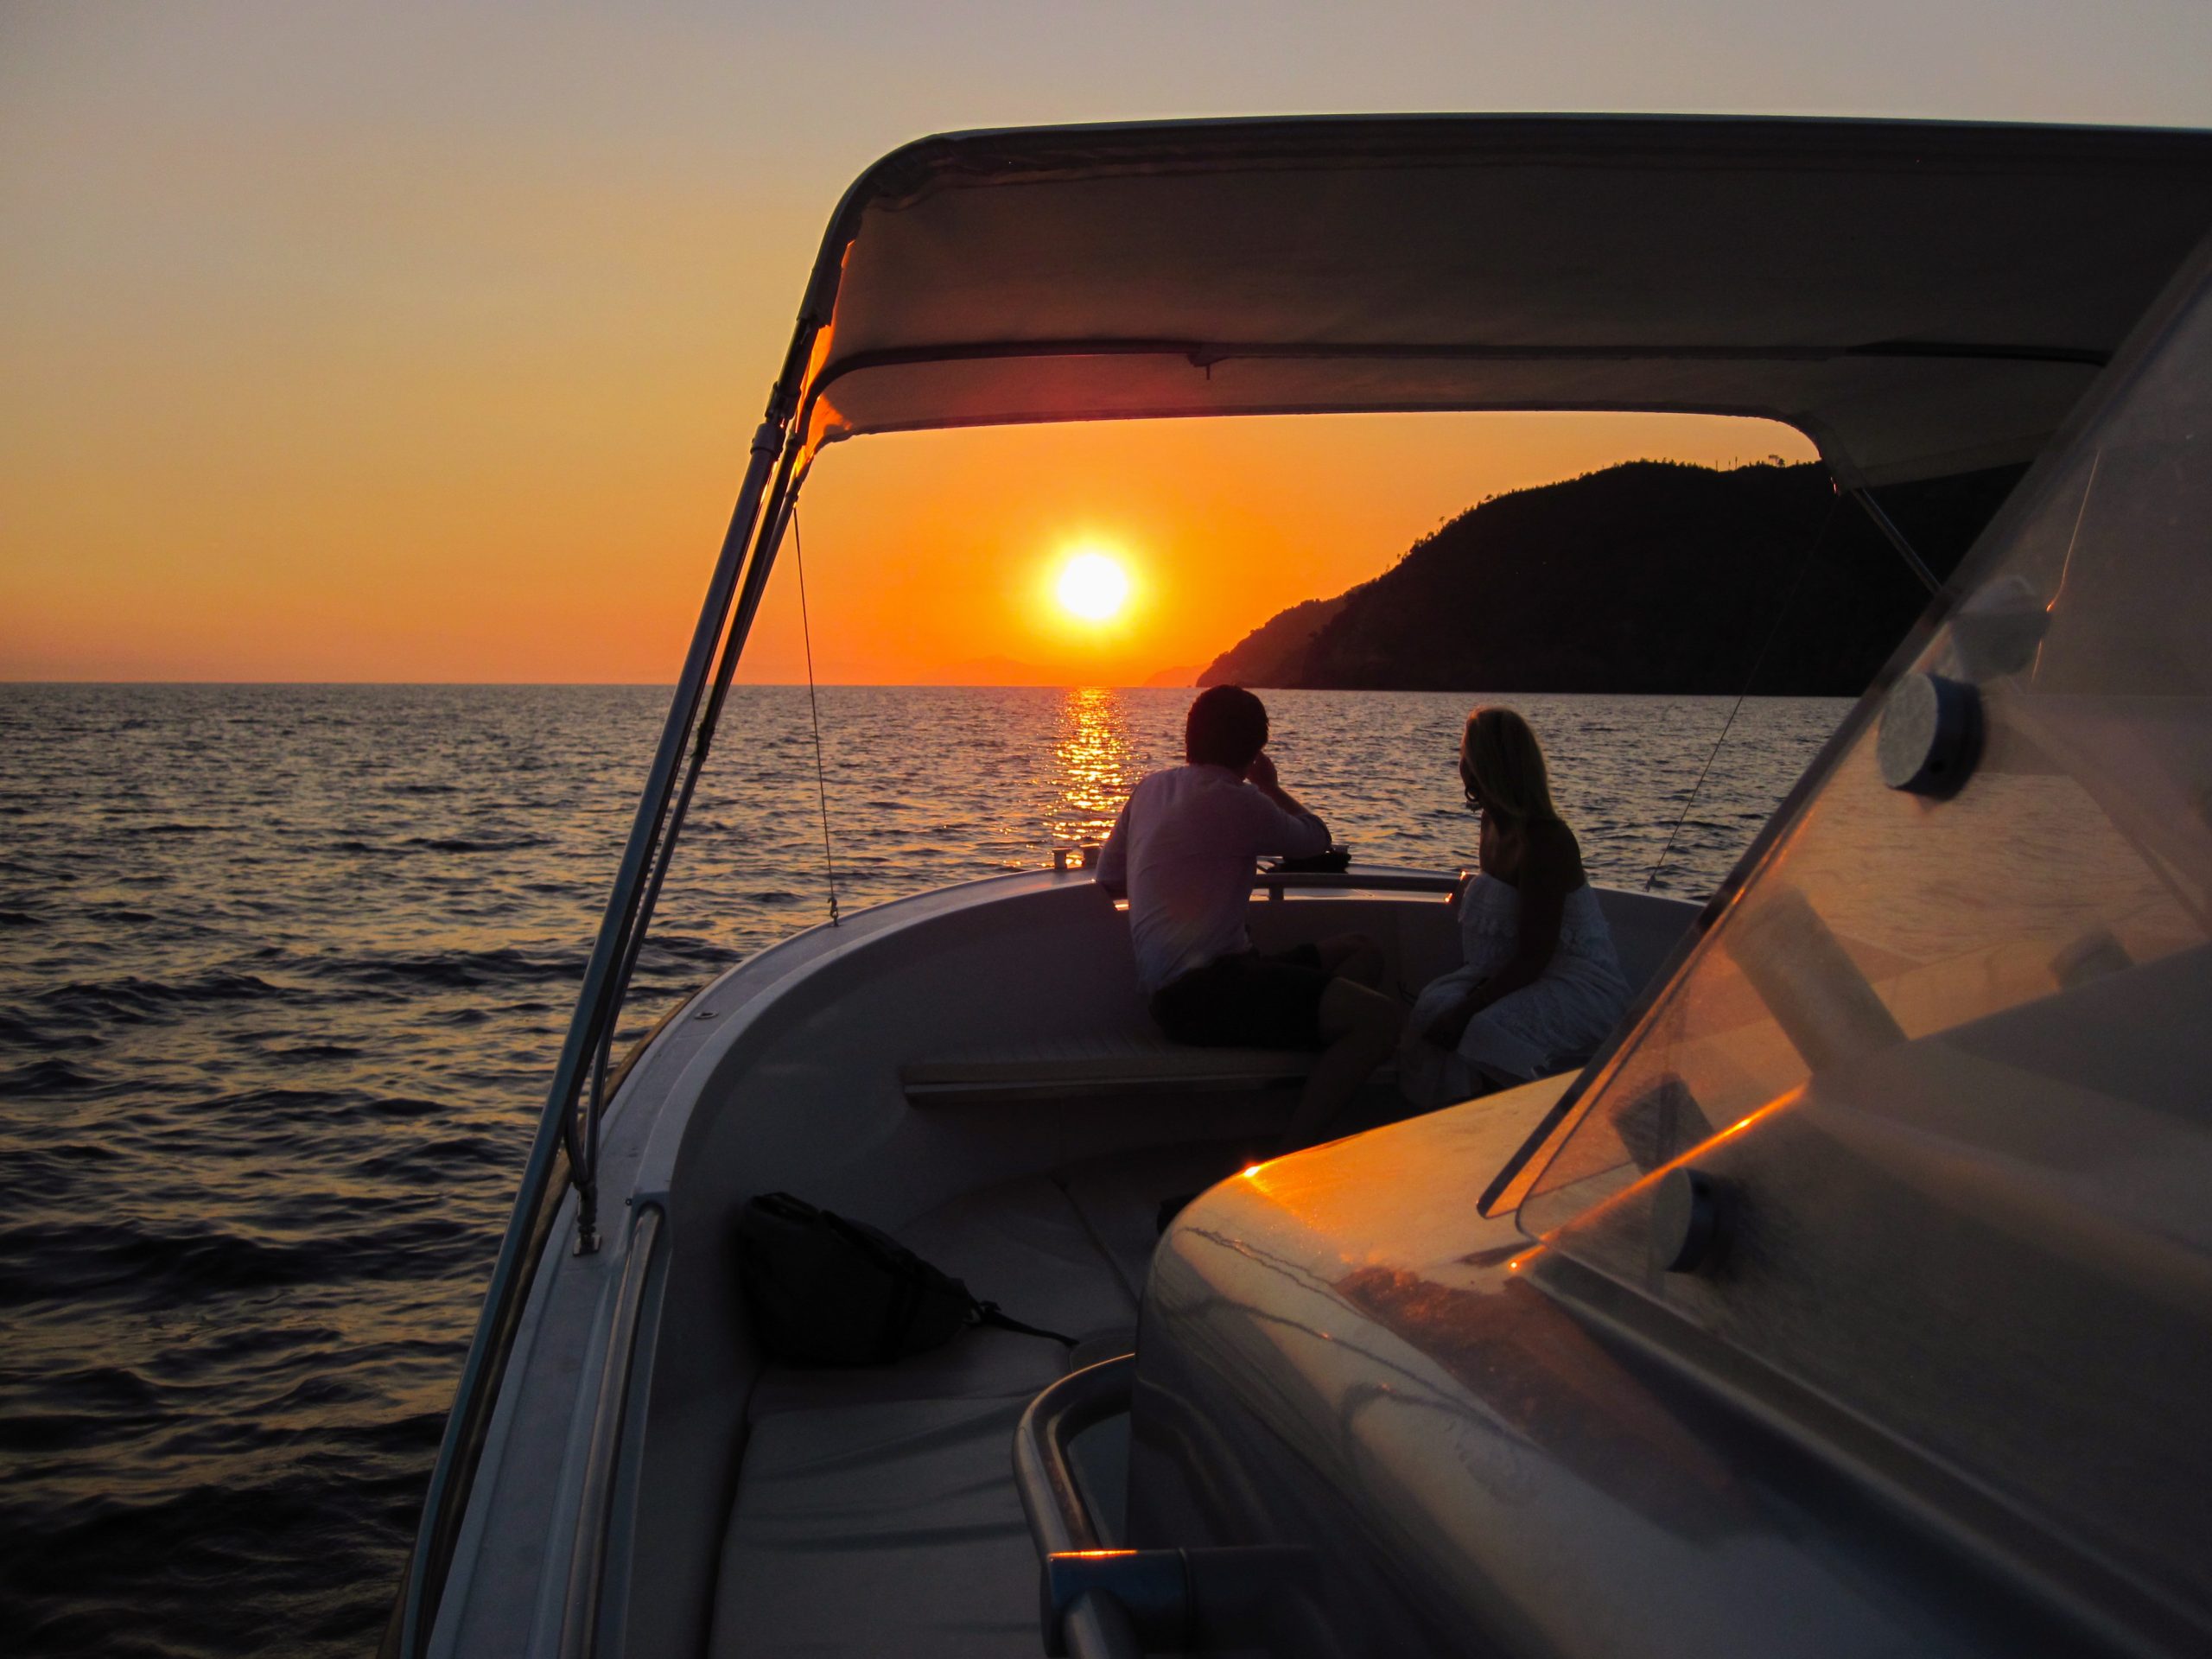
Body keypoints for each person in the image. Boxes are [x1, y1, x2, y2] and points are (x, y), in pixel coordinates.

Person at [1096, 686, 1402, 1152]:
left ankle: (1305, 1096)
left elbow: (1109, 874)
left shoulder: (1152, 787)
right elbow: (1316, 839)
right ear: (1256, 748)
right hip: (1206, 994)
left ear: (1190, 738)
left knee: (1361, 951)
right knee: (1381, 1020)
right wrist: (1270, 786)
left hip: (1195, 986)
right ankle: (1290, 1156)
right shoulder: (1239, 800)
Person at [1402, 706, 1630, 1109]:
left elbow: (1535, 955)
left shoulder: (1546, 840)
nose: (1461, 766)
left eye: (1465, 756)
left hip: (1574, 981)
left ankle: (1508, 1128)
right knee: (1430, 1008)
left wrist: (1469, 1008)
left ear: (1483, 766)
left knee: (1482, 1029)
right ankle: (1457, 1125)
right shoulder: (1490, 822)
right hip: (1517, 971)